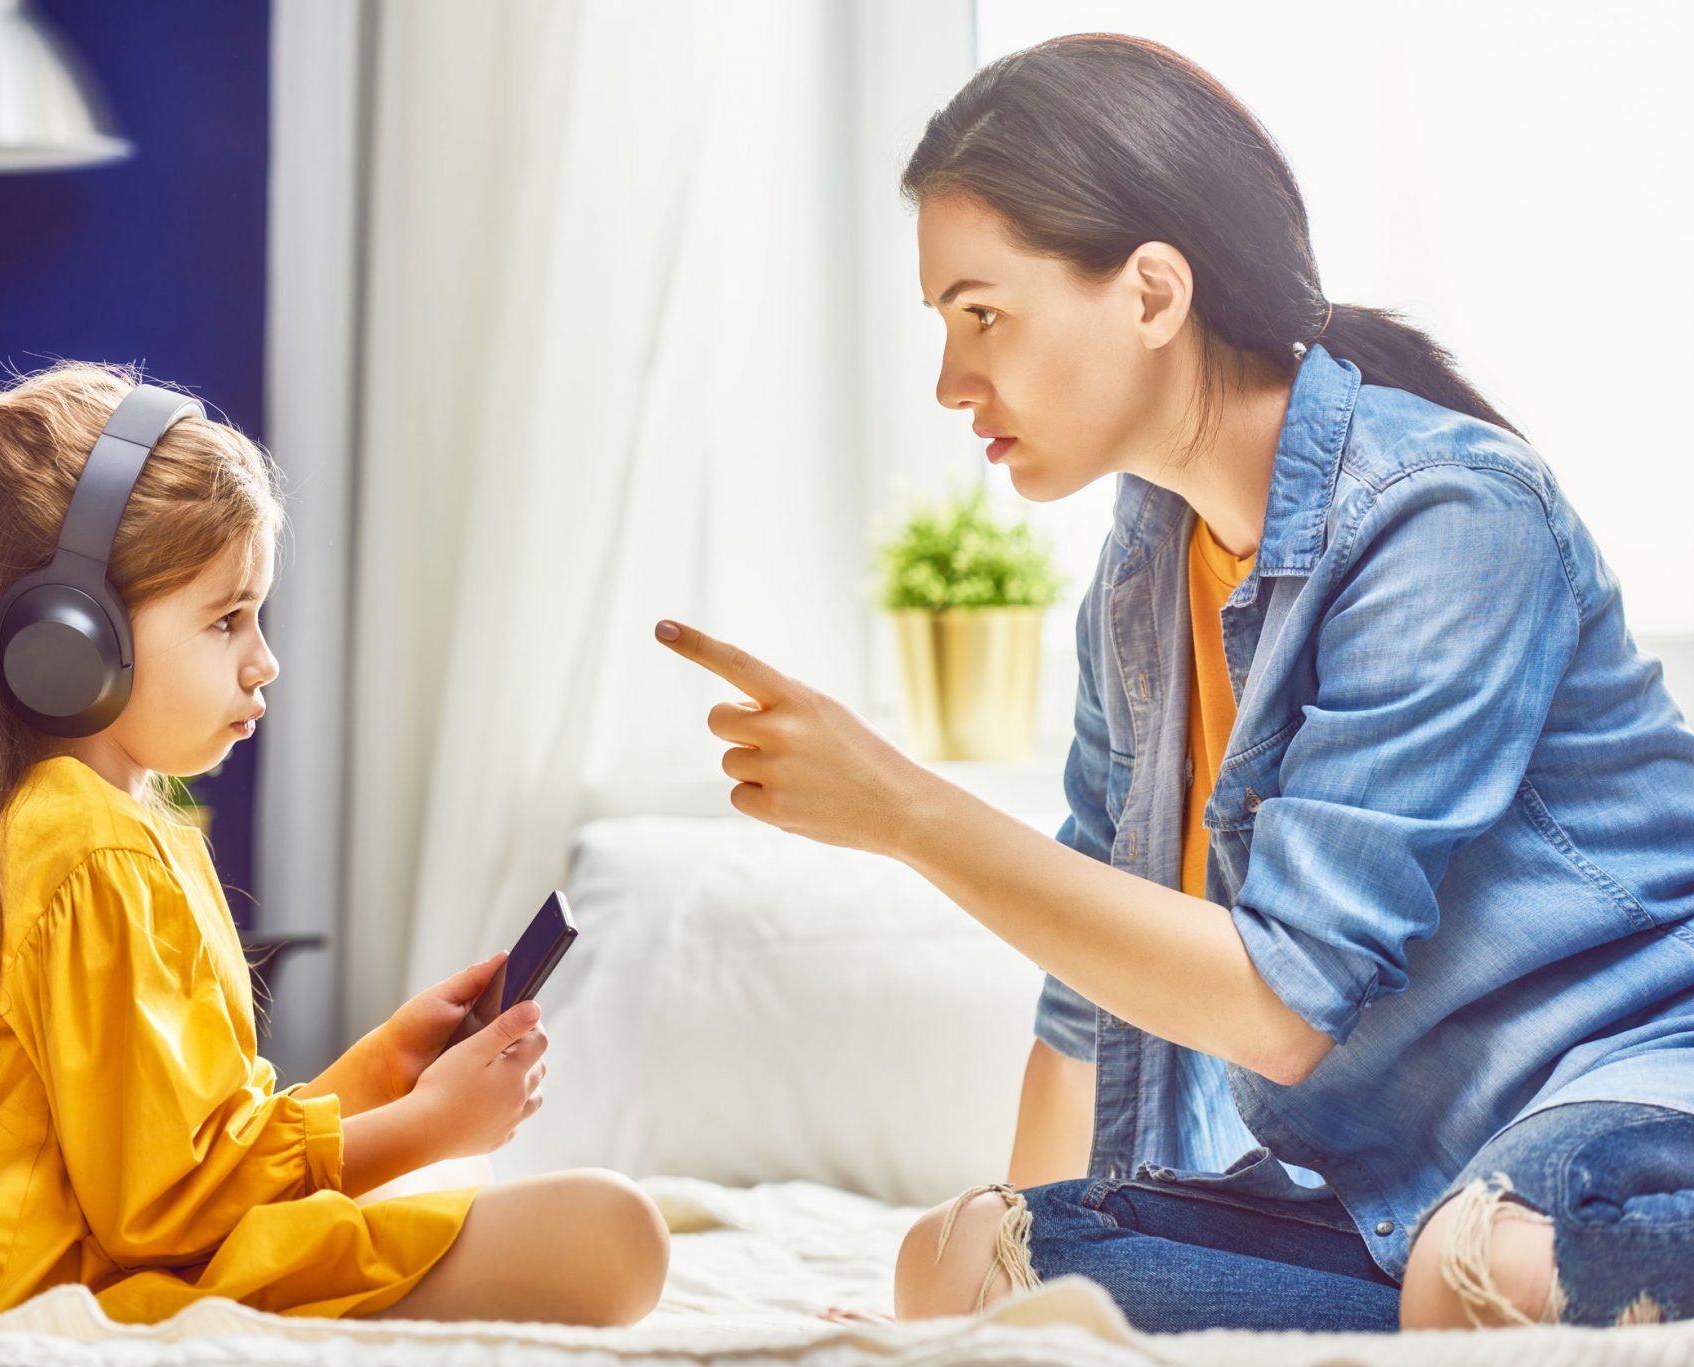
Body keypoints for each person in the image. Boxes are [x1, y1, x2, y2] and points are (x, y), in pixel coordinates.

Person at [656, 33, 1694, 1332]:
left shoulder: (1446, 513)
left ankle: (1496, 1279)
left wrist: (906, 809)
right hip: (1404, 1182)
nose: (948, 380)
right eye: (940, 325)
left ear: (1153, 293)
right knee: (970, 1254)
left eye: (983, 314)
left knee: (1473, 1263)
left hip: (1633, 1091)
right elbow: (1090, 996)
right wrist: (1017, 1296)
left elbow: (1278, 1003)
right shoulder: (1144, 576)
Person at [0, 362, 669, 1325]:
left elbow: (186, 1145)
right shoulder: (93, 848)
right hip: (90, 1293)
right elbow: (167, 1206)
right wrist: (422, 1129)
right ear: (71, 637)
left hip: (89, 1263)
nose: (266, 660)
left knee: (570, 1221)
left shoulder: (50, 824)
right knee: (616, 1231)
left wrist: (382, 1071)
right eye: (225, 619)